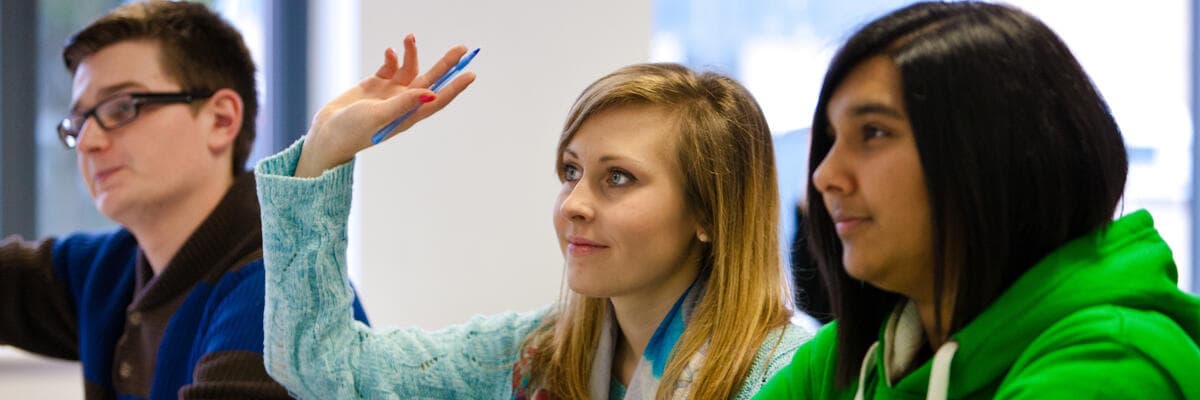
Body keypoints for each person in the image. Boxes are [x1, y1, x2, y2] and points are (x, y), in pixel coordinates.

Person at [255, 35, 810, 399]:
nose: (573, 204)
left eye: (618, 178)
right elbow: (321, 368)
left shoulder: (784, 373)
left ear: (708, 211)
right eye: (570, 172)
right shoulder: (535, 355)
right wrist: (324, 152)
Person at [755, 2, 1200, 399]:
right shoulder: (861, 353)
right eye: (830, 140)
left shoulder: (1113, 367)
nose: (824, 175)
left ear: (995, 152)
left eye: (873, 132)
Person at [0, 2, 367, 399]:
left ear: (221, 119)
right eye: (79, 122)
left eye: (122, 107)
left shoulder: (277, 293)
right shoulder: (113, 268)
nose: (88, 141)